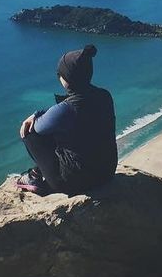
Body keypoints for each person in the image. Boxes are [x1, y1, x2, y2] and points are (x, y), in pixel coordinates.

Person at [16, 44, 118, 195]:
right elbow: (59, 116)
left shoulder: (67, 109)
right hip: (107, 172)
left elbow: (38, 127)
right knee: (63, 130)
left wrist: (35, 115)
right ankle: (37, 172)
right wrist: (41, 113)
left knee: (29, 132)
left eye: (60, 74)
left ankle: (35, 178)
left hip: (74, 182)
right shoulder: (104, 95)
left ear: (65, 79)